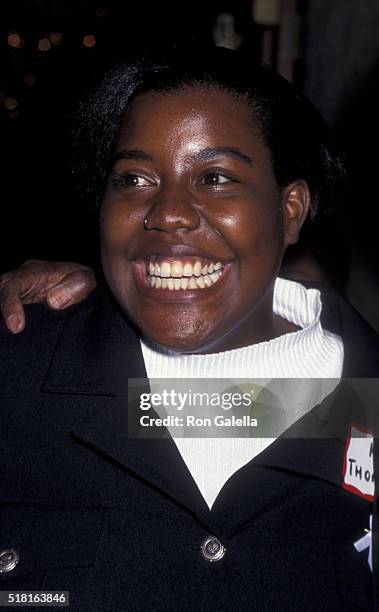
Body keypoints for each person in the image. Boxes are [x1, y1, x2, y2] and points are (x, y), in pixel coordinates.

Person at [0, 45, 377, 610]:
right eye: (133, 178)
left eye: (216, 176)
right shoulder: (17, 373)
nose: (168, 212)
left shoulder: (367, 400)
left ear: (290, 210)